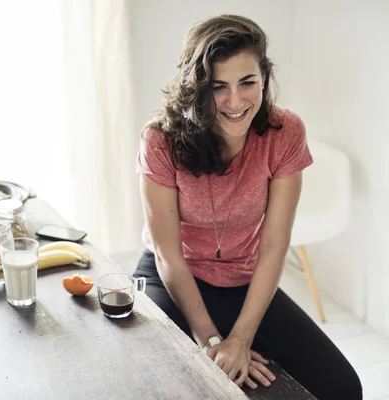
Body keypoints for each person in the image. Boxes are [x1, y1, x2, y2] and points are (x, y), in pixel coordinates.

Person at [134, 14, 362, 399]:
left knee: (343, 388)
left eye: (247, 82)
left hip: (246, 279)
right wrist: (209, 342)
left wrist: (240, 338)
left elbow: (274, 244)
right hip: (174, 276)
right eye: (218, 86)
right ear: (197, 88)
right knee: (156, 383)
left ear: (264, 78)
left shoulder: (285, 132)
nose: (235, 101)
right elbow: (167, 253)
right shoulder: (160, 140)